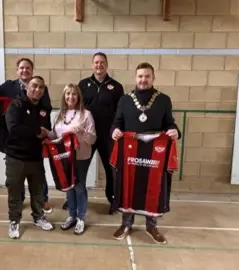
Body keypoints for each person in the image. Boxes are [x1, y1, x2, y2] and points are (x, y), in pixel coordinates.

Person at [110, 62, 181, 244]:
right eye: (140, 76)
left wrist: (175, 131)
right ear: (135, 78)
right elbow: (117, 123)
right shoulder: (125, 100)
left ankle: (152, 226)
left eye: (147, 76)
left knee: (154, 186)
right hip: (130, 152)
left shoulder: (163, 99)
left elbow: (169, 123)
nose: (143, 79)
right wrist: (115, 131)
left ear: (153, 78)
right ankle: (126, 223)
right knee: (128, 185)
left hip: (154, 153)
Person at [0, 58, 53, 213]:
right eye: (22, 68)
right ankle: (19, 201)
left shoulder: (41, 88)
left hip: (35, 142)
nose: (25, 70)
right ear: (17, 70)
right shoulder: (9, 86)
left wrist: (43, 130)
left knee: (38, 176)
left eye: (28, 68)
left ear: (32, 70)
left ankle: (42, 202)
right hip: (15, 140)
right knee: (16, 177)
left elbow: (46, 109)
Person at [70, 52, 124, 214]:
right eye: (96, 62)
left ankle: (114, 199)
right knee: (79, 167)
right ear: (92, 65)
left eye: (102, 62)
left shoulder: (116, 86)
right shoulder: (83, 84)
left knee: (111, 169)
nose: (99, 65)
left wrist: (117, 131)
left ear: (106, 65)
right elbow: (76, 108)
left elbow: (120, 113)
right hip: (86, 136)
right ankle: (73, 199)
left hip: (108, 136)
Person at [4, 75, 54, 239]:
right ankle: (14, 220)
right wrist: (36, 131)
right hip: (16, 157)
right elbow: (14, 128)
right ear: (27, 87)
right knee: (15, 192)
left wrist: (47, 133)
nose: (37, 89)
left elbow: (46, 129)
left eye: (40, 87)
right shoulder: (16, 105)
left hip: (36, 157)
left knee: (38, 190)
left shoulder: (45, 108)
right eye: (34, 86)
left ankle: (38, 217)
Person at [46, 84, 96, 235]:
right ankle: (72, 215)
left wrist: (81, 132)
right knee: (69, 186)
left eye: (74, 94)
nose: (71, 97)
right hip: (65, 157)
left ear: (78, 96)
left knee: (79, 186)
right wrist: (46, 134)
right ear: (64, 96)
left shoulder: (86, 114)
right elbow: (56, 136)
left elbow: (93, 138)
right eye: (68, 94)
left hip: (81, 156)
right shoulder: (59, 115)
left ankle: (81, 218)